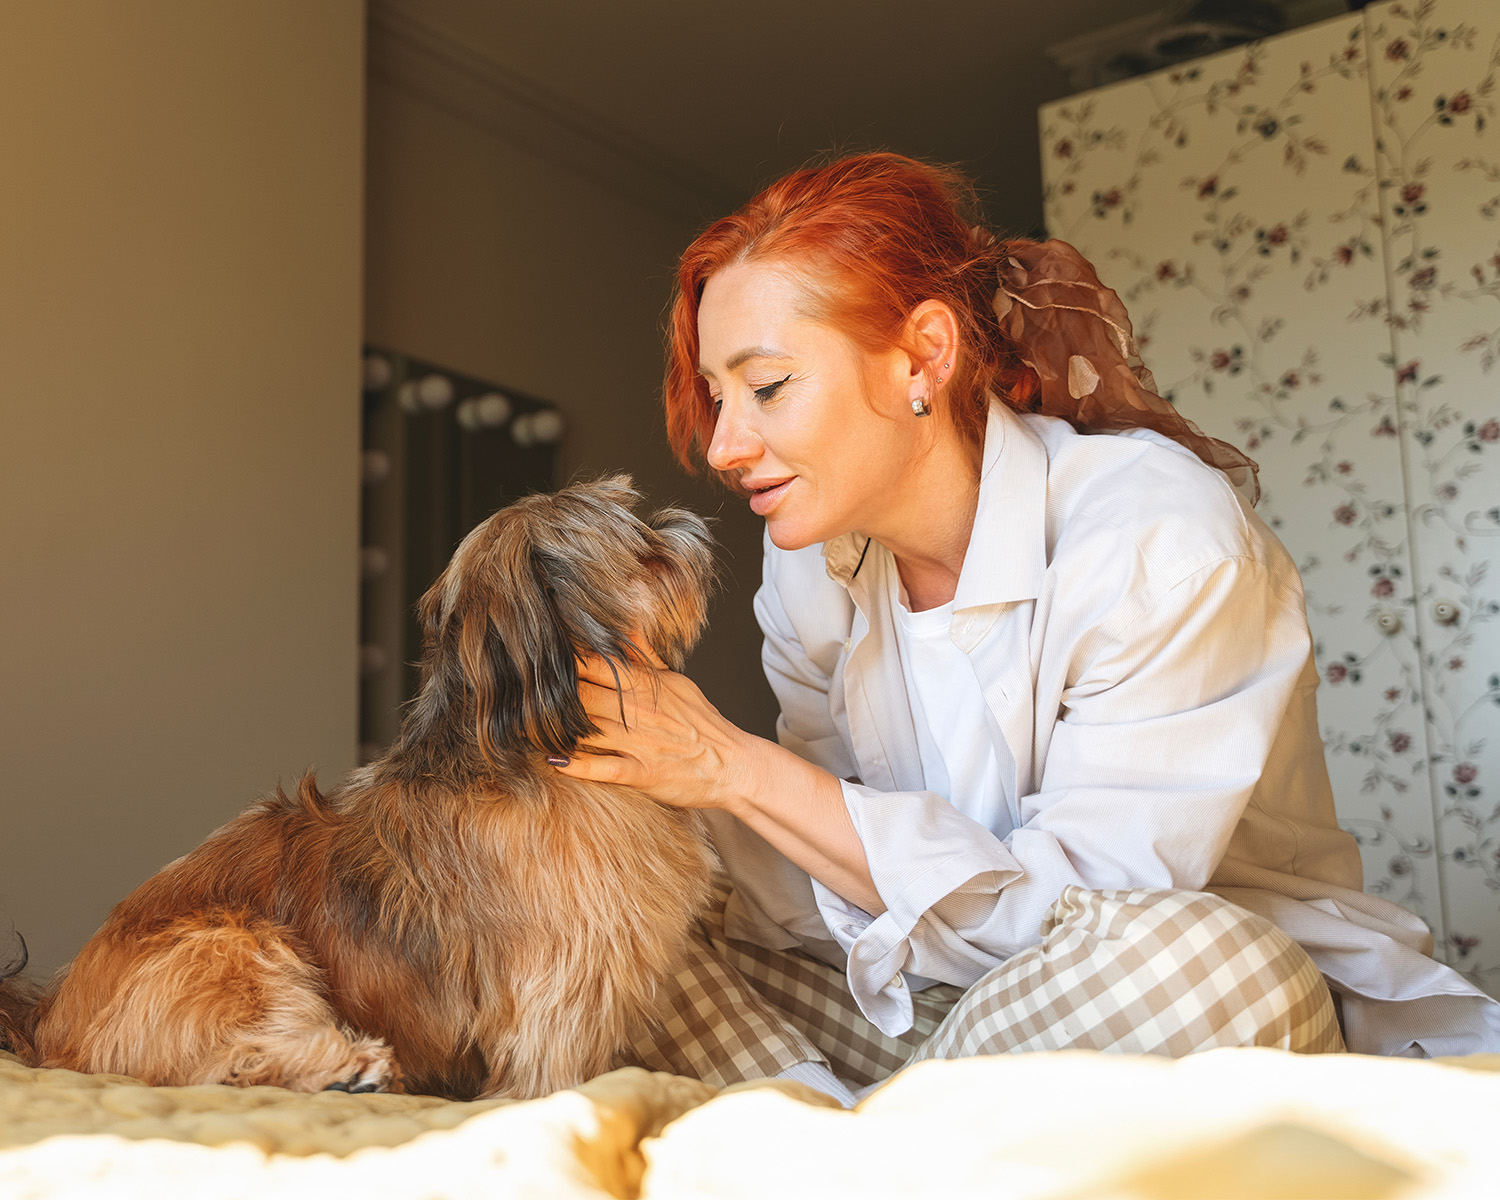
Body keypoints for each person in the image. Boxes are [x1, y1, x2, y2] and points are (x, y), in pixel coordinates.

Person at [551, 152, 1500, 1104]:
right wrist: (657, 809)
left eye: (766, 387)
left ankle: (870, 1146)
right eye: (717, 397)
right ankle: (861, 1138)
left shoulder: (1158, 537)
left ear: (922, 355)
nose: (723, 445)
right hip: (946, 1014)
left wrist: (733, 767)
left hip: (1149, 1001)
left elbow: (1083, 912)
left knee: (1202, 962)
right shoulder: (810, 563)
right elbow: (825, 868)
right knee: (622, 914)